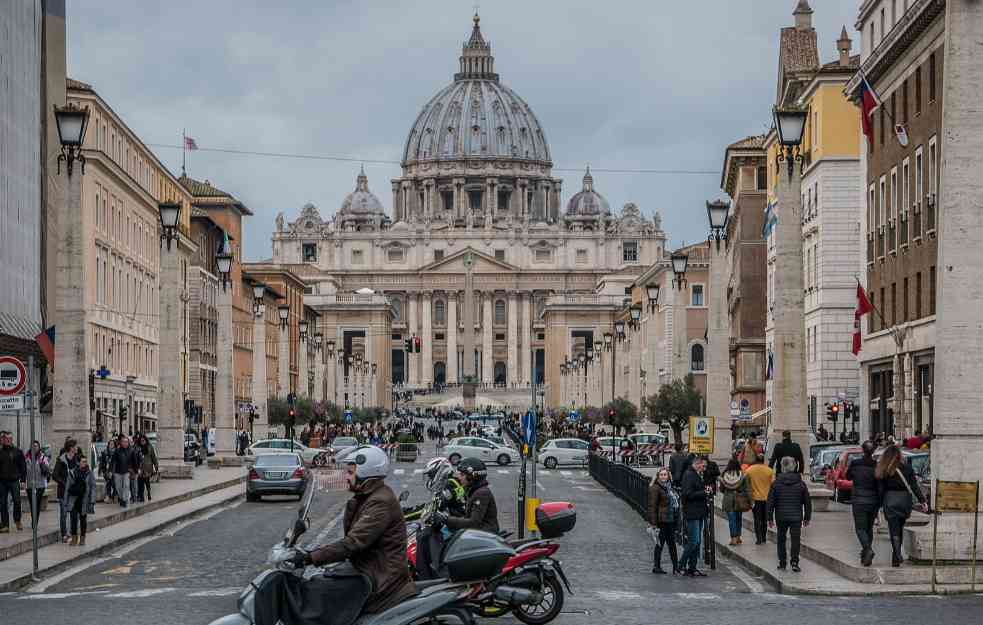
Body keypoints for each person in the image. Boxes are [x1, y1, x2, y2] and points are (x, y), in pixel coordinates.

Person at [290, 445, 416, 614]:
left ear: (366, 474)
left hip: (381, 578)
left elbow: (353, 543)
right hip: (368, 569)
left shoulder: (380, 502)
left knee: (320, 597)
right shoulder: (368, 497)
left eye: (350, 472)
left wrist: (309, 557)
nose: (346, 477)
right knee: (320, 584)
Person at [876, 445, 927, 566]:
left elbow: (880, 490)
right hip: (904, 501)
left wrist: (879, 504)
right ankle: (895, 557)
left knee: (893, 529)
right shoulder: (907, 469)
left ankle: (897, 553)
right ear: (899, 456)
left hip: (890, 500)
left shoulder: (884, 470)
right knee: (900, 527)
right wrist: (922, 500)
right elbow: (914, 486)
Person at [766, 456, 812, 572]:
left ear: (782, 467)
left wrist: (769, 518)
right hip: (796, 517)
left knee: (781, 539)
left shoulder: (776, 483)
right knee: (795, 540)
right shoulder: (801, 484)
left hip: (781, 516)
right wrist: (807, 517)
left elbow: (770, 502)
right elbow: (807, 502)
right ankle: (795, 562)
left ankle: (782, 562)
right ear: (794, 466)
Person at [434, 457, 499, 534]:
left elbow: (473, 522)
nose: (459, 477)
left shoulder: (481, 493)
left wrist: (446, 519)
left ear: (472, 477)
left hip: (485, 533)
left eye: (462, 475)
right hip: (478, 532)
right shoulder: (472, 490)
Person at [846, 440, 879, 566]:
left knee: (860, 528)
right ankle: (866, 555)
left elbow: (848, 476)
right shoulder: (876, 465)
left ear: (862, 450)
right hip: (873, 500)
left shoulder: (855, 463)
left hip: (859, 499)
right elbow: (879, 484)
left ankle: (867, 549)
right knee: (869, 528)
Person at [679, 456, 708, 576]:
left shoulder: (695, 474)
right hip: (692, 512)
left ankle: (692, 567)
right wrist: (703, 493)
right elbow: (687, 494)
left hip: (699, 512)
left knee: (697, 541)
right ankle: (681, 564)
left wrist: (704, 490)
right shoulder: (689, 475)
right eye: (703, 465)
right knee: (693, 541)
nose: (704, 468)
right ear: (697, 464)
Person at [647, 467, 680, 574]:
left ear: (668, 476)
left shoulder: (670, 488)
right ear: (658, 476)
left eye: (665, 474)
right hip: (661, 521)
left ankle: (676, 566)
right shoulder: (655, 488)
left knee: (672, 544)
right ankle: (656, 566)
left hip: (670, 519)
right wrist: (654, 523)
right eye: (661, 475)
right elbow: (652, 506)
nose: (663, 477)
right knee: (660, 544)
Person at [65, 455, 97, 546]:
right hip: (74, 499)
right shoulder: (72, 472)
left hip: (84, 499)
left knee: (83, 519)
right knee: (73, 519)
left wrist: (92, 500)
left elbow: (93, 486)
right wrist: (65, 501)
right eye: (83, 461)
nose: (85, 463)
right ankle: (74, 538)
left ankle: (83, 538)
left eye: (86, 461)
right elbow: (67, 487)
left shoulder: (89, 473)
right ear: (78, 463)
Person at [719, 458, 751, 546]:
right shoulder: (742, 475)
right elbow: (747, 489)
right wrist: (750, 501)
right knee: (738, 519)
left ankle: (733, 538)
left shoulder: (724, 475)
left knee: (731, 520)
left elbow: (721, 489)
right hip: (739, 500)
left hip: (728, 499)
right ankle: (738, 537)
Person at [51, 438, 78, 541]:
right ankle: (64, 535)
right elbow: (54, 475)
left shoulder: (77, 459)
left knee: (74, 513)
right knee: (64, 513)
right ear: (71, 448)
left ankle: (72, 532)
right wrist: (64, 483)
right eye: (75, 446)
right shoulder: (61, 460)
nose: (77, 448)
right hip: (64, 492)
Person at [0, 431, 27, 532]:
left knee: (17, 501)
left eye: (9, 439)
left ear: (12, 440)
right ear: (3, 439)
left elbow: (23, 467)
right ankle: (5, 524)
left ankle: (17, 520)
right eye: (6, 438)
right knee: (3, 503)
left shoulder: (17, 451)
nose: (7, 440)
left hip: (14, 480)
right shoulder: (0, 451)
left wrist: (23, 480)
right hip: (2, 481)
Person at [744, 455, 774, 545]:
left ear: (755, 460)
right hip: (766, 498)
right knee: (764, 519)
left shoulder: (749, 470)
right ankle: (764, 537)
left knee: (757, 519)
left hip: (755, 498)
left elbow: (746, 484)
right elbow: (773, 484)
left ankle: (758, 538)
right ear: (763, 460)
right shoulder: (769, 471)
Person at [23, 441, 50, 526]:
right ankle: (33, 519)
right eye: (33, 446)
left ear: (39, 447)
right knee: (32, 503)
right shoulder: (26, 457)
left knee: (37, 503)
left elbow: (47, 469)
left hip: (40, 484)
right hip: (29, 484)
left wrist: (43, 464)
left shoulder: (42, 457)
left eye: (36, 446)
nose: (34, 448)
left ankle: (35, 521)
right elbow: (23, 470)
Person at [111, 436, 134, 508]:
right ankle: (121, 498)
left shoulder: (131, 451)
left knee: (126, 486)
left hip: (127, 471)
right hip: (118, 472)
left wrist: (135, 470)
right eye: (123, 442)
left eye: (126, 442)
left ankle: (124, 499)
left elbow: (134, 462)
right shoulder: (117, 451)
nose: (125, 443)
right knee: (118, 487)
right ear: (121, 443)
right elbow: (113, 461)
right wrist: (111, 471)